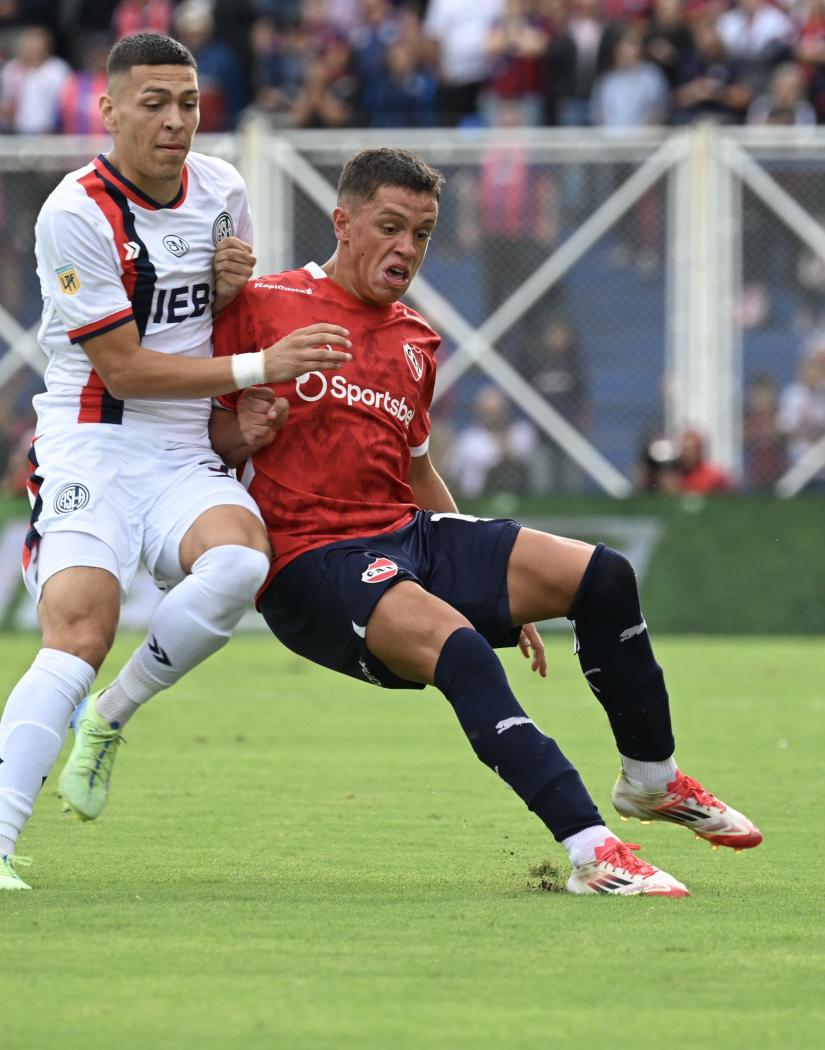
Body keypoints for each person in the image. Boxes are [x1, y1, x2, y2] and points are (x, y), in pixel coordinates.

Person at [207, 147, 763, 896]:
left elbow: (414, 471)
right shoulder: (262, 304)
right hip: (311, 562)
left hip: (405, 533)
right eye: (390, 227)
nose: (406, 248)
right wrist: (243, 430)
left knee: (602, 577)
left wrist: (486, 586)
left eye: (423, 233)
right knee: (463, 653)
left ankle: (652, 781)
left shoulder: (415, 341)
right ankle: (594, 852)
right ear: (343, 222)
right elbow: (193, 439)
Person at [0, 32, 352, 891]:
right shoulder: (75, 211)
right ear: (110, 109)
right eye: (155, 103)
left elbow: (225, 317)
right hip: (92, 437)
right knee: (80, 632)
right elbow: (124, 366)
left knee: (242, 559)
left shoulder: (224, 189)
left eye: (190, 103)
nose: (176, 122)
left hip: (182, 448)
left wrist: (239, 314)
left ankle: (110, 719)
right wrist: (259, 370)